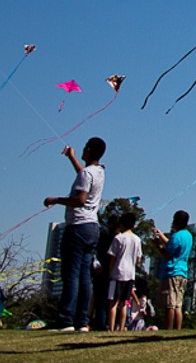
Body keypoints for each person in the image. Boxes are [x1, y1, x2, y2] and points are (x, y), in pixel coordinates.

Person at [42, 137, 106, 333]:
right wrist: (72, 158)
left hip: (78, 227)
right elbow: (83, 175)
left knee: (71, 274)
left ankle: (65, 320)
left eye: (85, 148)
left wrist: (56, 199)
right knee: (85, 276)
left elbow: (79, 200)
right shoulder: (99, 171)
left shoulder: (88, 173)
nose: (83, 151)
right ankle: (81, 321)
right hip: (92, 227)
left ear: (89, 150)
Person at [153, 210, 193, 330]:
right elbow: (172, 245)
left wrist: (157, 244)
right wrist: (161, 236)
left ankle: (168, 329)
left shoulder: (176, 236)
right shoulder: (188, 235)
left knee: (169, 305)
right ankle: (177, 329)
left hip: (172, 272)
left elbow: (166, 253)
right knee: (178, 305)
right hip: (182, 272)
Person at [107, 212, 143, 331]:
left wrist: (109, 272)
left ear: (121, 224)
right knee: (123, 303)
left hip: (117, 274)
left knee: (113, 303)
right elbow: (138, 259)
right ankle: (122, 327)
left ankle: (111, 328)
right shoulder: (137, 240)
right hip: (130, 274)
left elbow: (112, 257)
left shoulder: (118, 238)